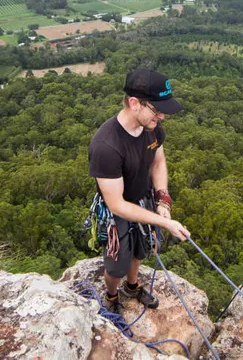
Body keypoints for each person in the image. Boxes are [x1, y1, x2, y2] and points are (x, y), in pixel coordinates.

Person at [88, 68, 191, 315]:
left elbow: (158, 162)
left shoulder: (151, 128)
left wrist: (163, 200)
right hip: (117, 208)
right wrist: (164, 222)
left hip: (143, 198)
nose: (162, 116)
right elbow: (117, 206)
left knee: (142, 249)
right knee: (116, 266)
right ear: (135, 103)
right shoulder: (106, 146)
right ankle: (112, 294)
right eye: (157, 109)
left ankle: (132, 287)